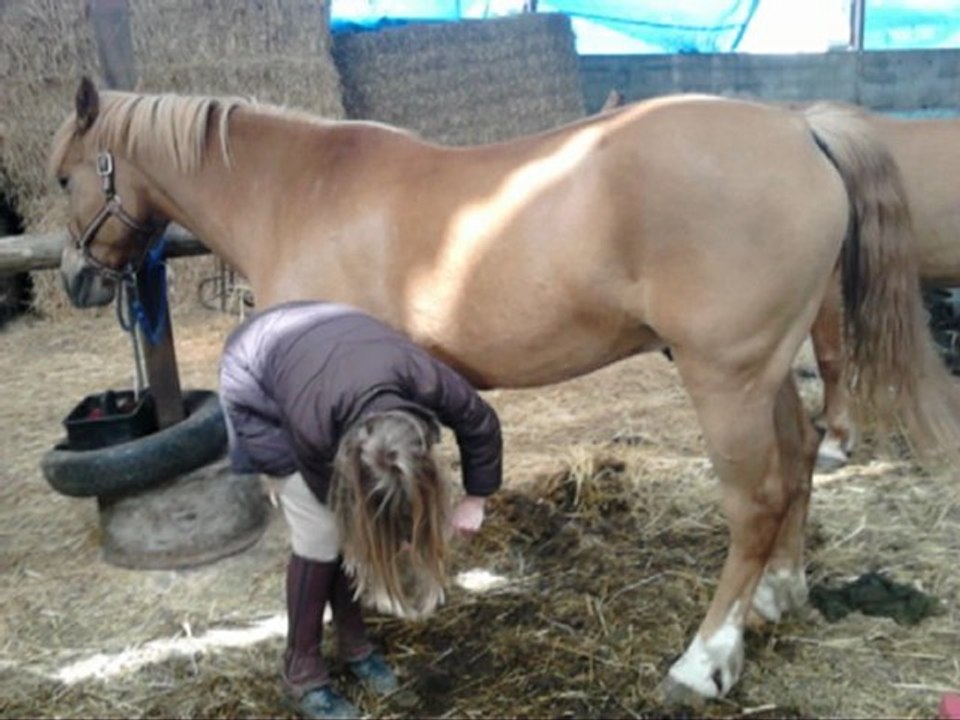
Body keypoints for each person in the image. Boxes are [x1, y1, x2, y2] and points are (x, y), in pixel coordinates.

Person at [218, 300, 503, 720]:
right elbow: (338, 510)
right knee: (323, 536)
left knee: (346, 535)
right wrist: (372, 533)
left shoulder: (426, 378)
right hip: (258, 383)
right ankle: (302, 672)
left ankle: (354, 645)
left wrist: (476, 497)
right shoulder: (313, 428)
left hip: (330, 342)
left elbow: (480, 423)